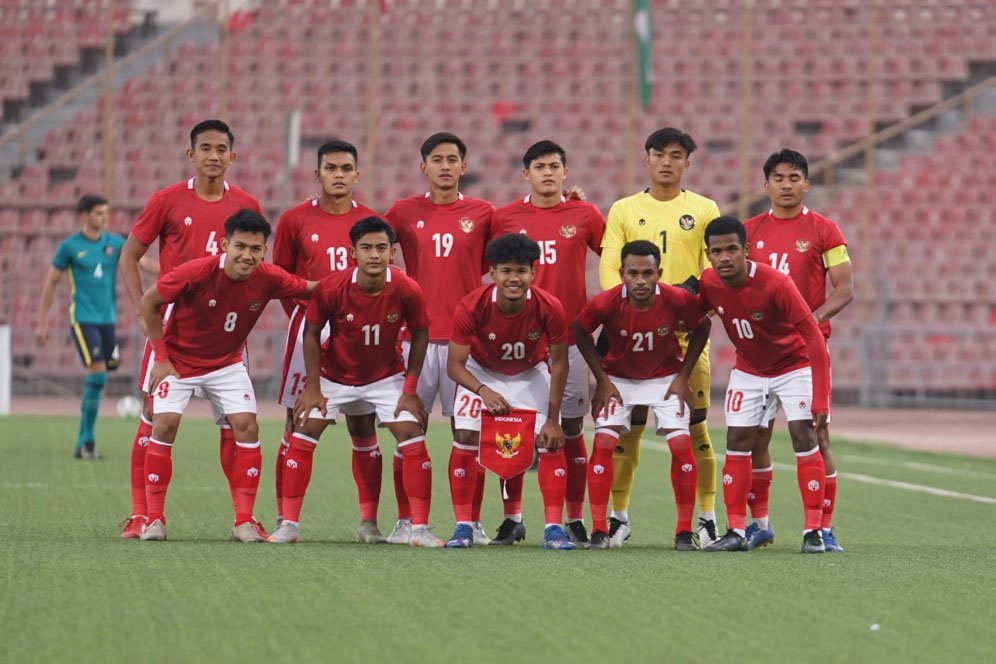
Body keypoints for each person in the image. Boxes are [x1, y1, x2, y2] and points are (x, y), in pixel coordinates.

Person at [118, 119, 262, 539]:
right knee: (153, 420)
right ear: (191, 154)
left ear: (232, 156)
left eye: (222, 149)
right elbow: (130, 255)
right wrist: (142, 315)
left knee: (235, 425)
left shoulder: (247, 205)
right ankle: (141, 514)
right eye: (205, 148)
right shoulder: (166, 201)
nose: (213, 156)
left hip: (227, 335)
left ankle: (243, 517)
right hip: (173, 331)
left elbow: (257, 264)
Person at [136, 209, 315, 542]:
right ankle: (154, 519)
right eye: (240, 246)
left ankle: (244, 521)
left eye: (256, 249)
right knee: (164, 424)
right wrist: (160, 358)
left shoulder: (270, 276)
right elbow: (149, 302)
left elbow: (309, 289)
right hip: (178, 360)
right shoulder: (196, 271)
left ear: (264, 251)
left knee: (247, 425)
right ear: (224, 244)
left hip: (226, 364)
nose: (247, 255)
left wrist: (357, 281)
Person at [269, 216, 444, 547]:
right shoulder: (332, 287)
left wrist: (409, 391)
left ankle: (418, 528)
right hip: (333, 377)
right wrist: (313, 388)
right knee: (303, 429)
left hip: (385, 377)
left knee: (412, 434)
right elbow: (311, 332)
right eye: (366, 248)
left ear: (393, 252)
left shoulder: (407, 287)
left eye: (381, 248)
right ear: (353, 253)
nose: (374, 255)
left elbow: (421, 334)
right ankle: (289, 524)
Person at [597, 127, 723, 547]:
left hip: (686, 339)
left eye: (676, 155)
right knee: (626, 428)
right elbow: (608, 266)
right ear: (646, 158)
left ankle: (705, 517)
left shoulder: (704, 209)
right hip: (632, 337)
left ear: (688, 162)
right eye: (659, 154)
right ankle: (618, 516)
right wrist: (623, 312)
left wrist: (694, 303)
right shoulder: (624, 209)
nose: (666, 162)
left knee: (698, 428)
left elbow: (711, 271)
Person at [270, 140, 386, 543]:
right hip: (309, 330)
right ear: (317, 174)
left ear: (357, 174)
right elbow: (280, 278)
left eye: (346, 168)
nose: (338, 174)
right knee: (297, 420)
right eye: (331, 168)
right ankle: (286, 520)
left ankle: (369, 522)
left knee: (362, 421)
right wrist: (304, 321)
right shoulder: (294, 220)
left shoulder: (372, 221)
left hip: (361, 333)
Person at [384, 132, 497, 546]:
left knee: (469, 435)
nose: (445, 166)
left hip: (465, 344)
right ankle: (405, 521)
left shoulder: (484, 213)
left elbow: (511, 246)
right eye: (437, 159)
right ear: (423, 167)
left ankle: (471, 523)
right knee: (408, 431)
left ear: (464, 167)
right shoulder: (402, 212)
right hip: (413, 339)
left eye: (453, 159)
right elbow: (371, 243)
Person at [490, 140, 605, 546]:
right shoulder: (503, 217)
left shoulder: (585, 214)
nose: (548, 173)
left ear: (566, 172)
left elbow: (612, 263)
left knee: (570, 428)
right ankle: (512, 517)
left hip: (569, 338)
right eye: (539, 167)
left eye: (555, 166)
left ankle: (572, 519)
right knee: (514, 429)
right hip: (518, 340)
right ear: (526, 174)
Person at [697, 216, 830, 554]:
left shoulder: (775, 283)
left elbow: (814, 337)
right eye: (717, 251)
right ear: (708, 254)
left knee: (803, 434)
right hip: (750, 369)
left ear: (747, 250)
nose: (724, 257)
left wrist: (821, 400)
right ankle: (738, 530)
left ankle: (813, 531)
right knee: (738, 440)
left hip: (793, 365)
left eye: (731, 250)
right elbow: (691, 313)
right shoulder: (709, 282)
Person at [743, 149, 854, 552]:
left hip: (806, 353)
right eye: (778, 177)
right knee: (756, 436)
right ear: (765, 184)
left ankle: (823, 528)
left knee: (813, 433)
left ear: (806, 184)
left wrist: (809, 319)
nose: (786, 185)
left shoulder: (826, 230)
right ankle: (760, 524)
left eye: (794, 178)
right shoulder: (748, 232)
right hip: (760, 353)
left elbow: (845, 290)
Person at [574, 240, 711, 549]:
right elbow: (580, 331)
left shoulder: (676, 299)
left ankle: (684, 533)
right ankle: (598, 530)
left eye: (647, 273)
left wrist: (682, 376)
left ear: (658, 272)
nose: (640, 281)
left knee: (681, 446)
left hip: (664, 378)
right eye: (632, 273)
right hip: (619, 380)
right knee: (604, 443)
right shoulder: (606, 303)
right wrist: (602, 381)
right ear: (622, 273)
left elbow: (703, 326)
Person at [445, 232, 574, 550]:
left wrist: (554, 418)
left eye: (521, 271)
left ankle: (554, 529)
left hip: (529, 374)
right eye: (506, 270)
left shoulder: (550, 306)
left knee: (550, 441)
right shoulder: (472, 305)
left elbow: (559, 363)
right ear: (493, 273)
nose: (513, 278)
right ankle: (463, 527)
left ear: (533, 273)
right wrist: (483, 390)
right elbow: (455, 366)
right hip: (480, 373)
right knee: (464, 437)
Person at [36, 195, 147, 458]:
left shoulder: (115, 243)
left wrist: (174, 271)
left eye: (106, 213)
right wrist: (42, 321)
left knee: (101, 376)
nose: (104, 218)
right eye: (99, 213)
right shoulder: (70, 247)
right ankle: (87, 442)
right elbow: (51, 283)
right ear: (84, 215)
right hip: (82, 318)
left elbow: (142, 262)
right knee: (97, 375)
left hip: (108, 321)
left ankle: (82, 443)